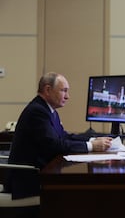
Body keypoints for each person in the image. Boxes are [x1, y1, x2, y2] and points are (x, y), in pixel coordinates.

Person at [4, 72, 113, 200]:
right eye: (64, 91)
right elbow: (55, 145)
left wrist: (93, 140)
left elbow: (63, 136)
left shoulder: (48, 110)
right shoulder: (37, 111)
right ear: (48, 90)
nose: (67, 96)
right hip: (27, 181)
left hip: (39, 173)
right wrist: (91, 146)